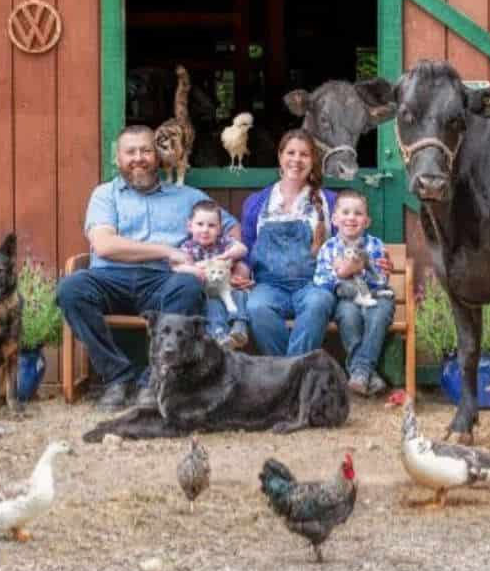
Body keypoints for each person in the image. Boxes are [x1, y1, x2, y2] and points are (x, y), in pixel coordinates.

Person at [56, 125, 240, 411]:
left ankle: (151, 382)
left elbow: (231, 227)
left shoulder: (187, 197)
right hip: (110, 277)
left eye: (146, 150)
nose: (138, 157)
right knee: (71, 289)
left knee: (189, 286)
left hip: (164, 281)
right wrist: (168, 251)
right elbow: (105, 245)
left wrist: (232, 262)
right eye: (130, 152)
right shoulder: (105, 195)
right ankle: (117, 377)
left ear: (158, 156)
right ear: (117, 159)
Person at [240, 129, 338, 357]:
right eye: (291, 153)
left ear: (313, 160)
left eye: (304, 155)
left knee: (319, 302)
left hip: (313, 284)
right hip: (269, 286)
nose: (296, 160)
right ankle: (295, 373)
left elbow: (350, 242)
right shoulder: (256, 202)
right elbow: (246, 248)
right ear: (280, 157)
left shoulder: (330, 201)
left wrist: (367, 260)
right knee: (256, 307)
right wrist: (241, 273)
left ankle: (285, 376)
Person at [313, 189, 396, 397]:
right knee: (348, 316)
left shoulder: (375, 244)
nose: (351, 217)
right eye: (346, 212)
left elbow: (381, 279)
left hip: (376, 296)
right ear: (334, 219)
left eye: (358, 213)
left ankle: (360, 371)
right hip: (346, 299)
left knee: (378, 314)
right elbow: (320, 280)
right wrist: (341, 273)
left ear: (367, 221)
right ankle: (370, 374)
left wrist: (359, 269)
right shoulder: (328, 247)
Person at [172, 199, 251, 350]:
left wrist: (228, 255)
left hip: (228, 287)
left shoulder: (222, 242)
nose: (205, 230)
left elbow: (242, 249)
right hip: (209, 292)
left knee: (240, 295)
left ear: (220, 228)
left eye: (211, 225)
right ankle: (219, 334)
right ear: (190, 226)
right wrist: (195, 268)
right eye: (200, 224)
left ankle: (239, 326)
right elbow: (176, 266)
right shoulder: (188, 247)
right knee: (212, 306)